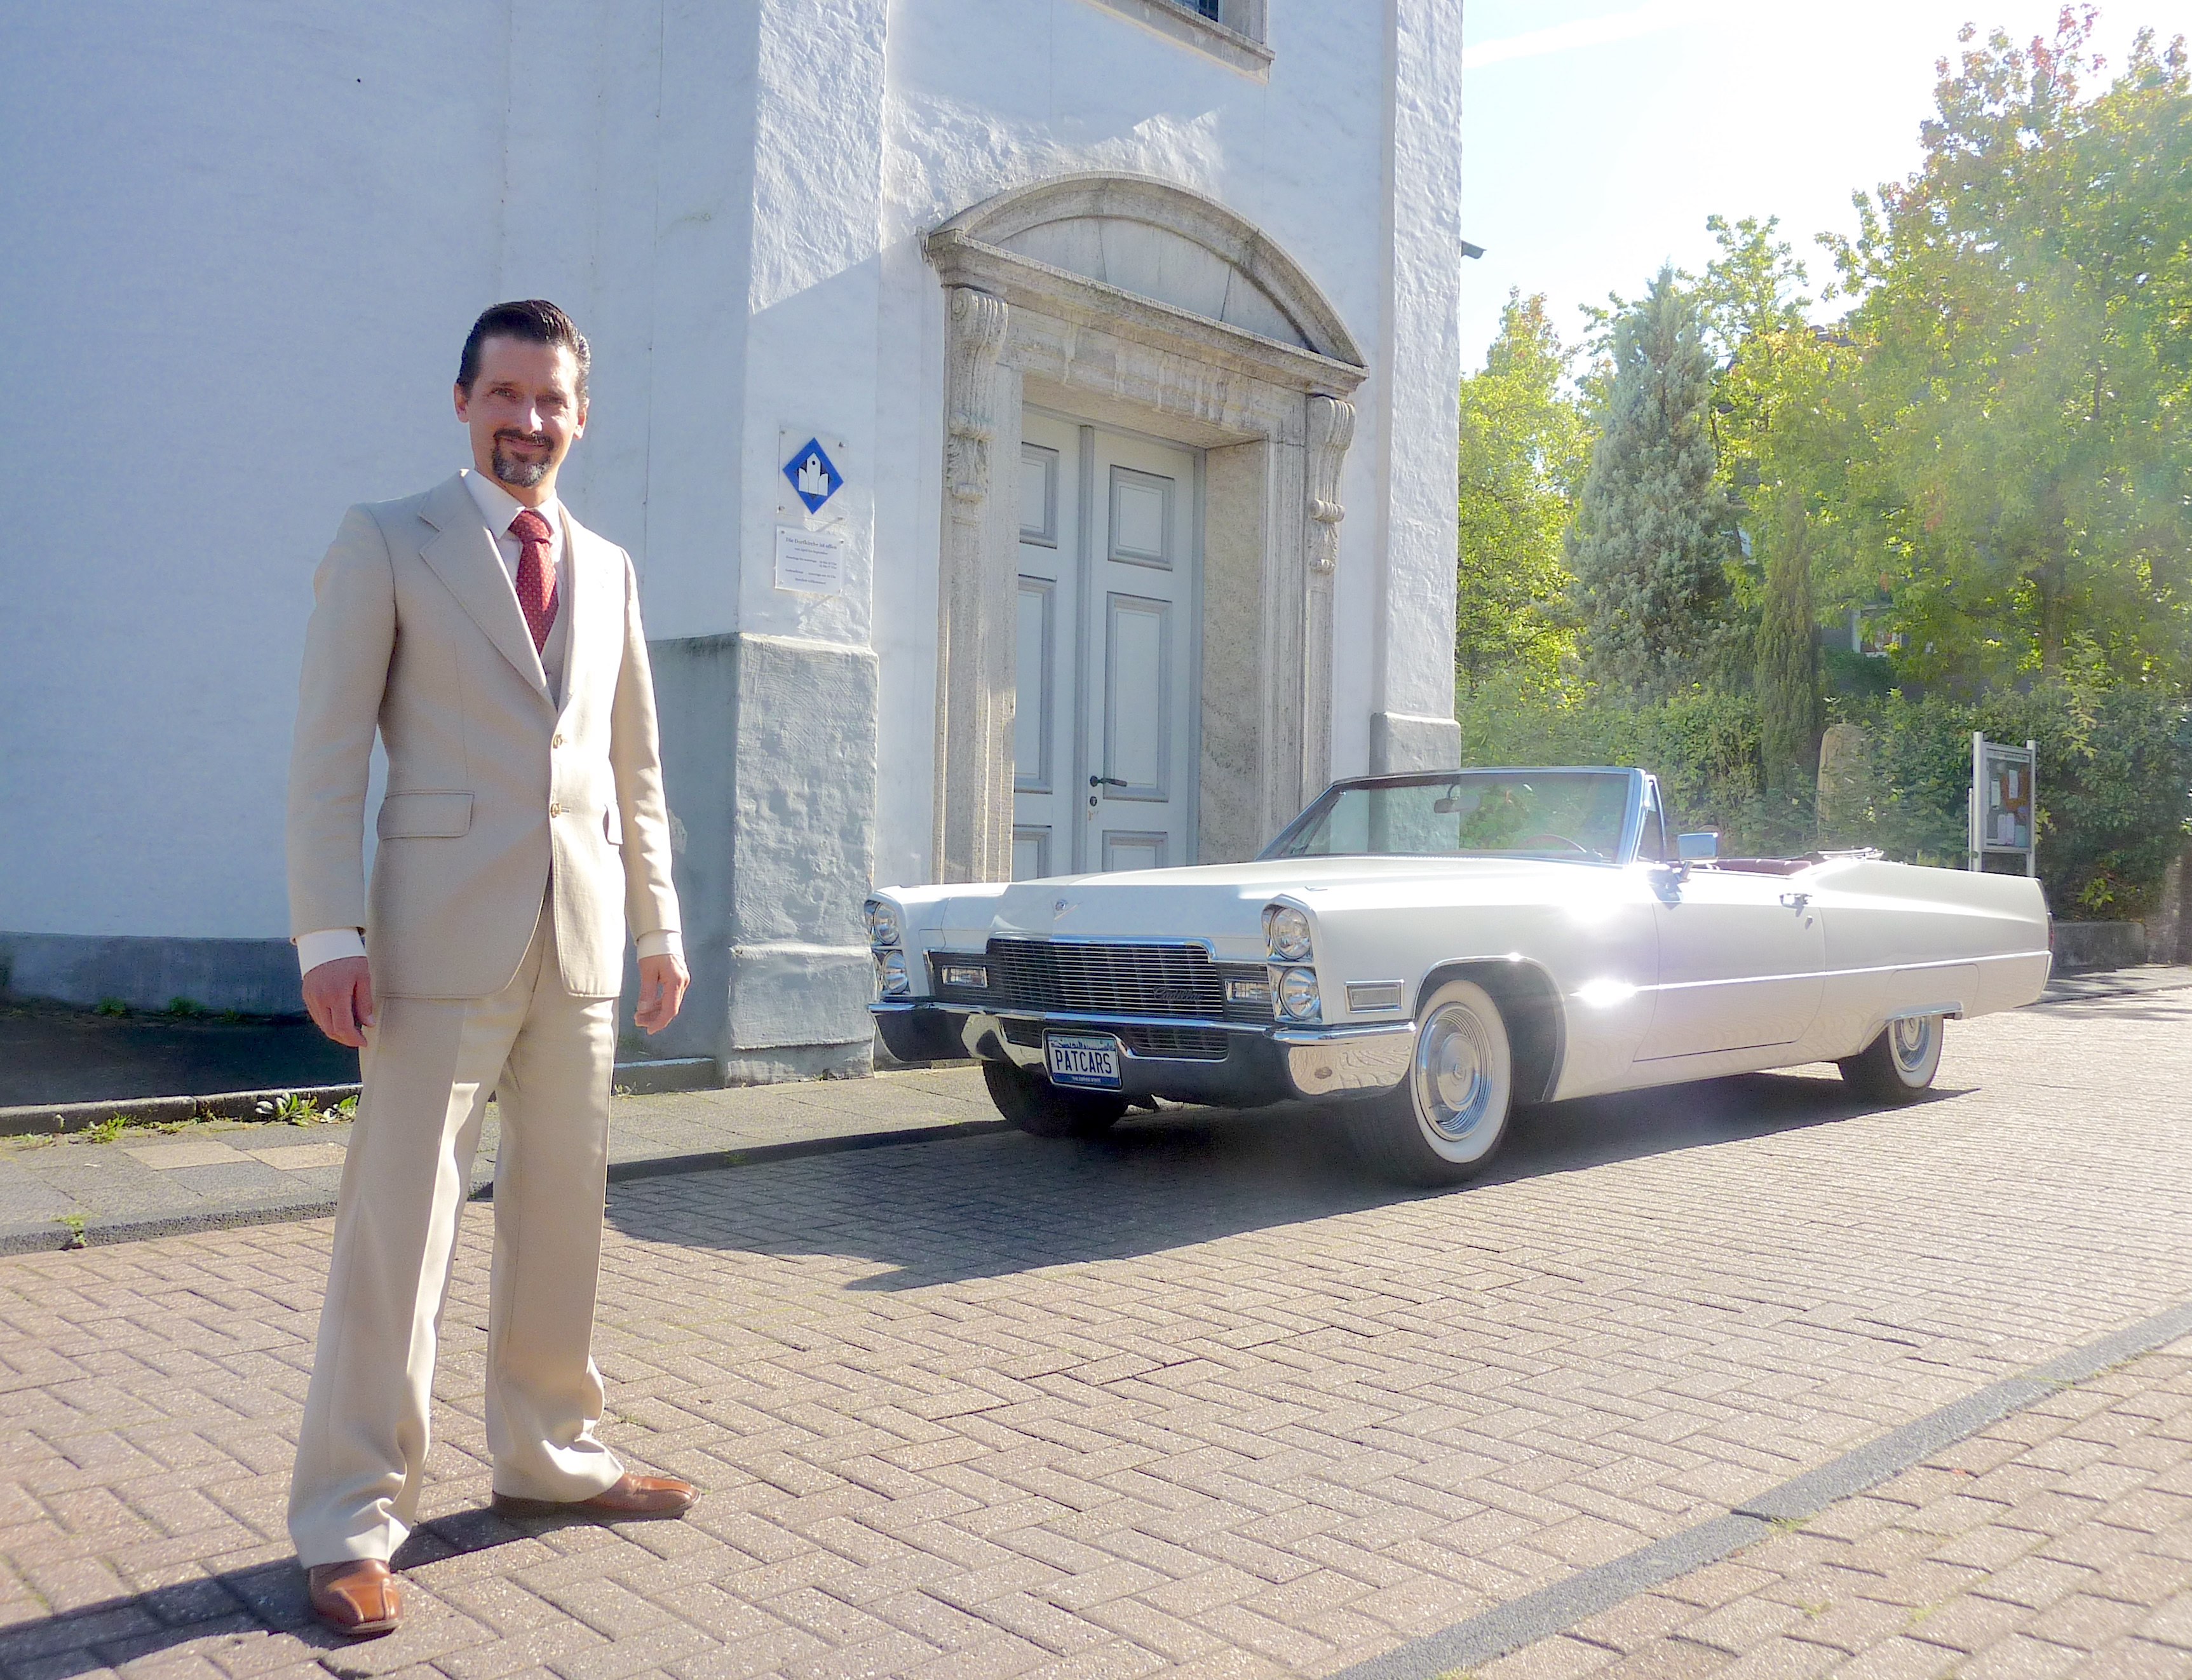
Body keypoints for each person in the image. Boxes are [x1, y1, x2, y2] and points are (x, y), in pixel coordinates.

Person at [285, 300, 695, 1637]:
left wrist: (658, 926)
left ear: (582, 415)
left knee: (563, 1215)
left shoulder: (610, 567)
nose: (530, 421)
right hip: (428, 947)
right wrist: (328, 933)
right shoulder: (387, 539)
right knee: (398, 1236)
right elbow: (328, 752)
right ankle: (351, 1518)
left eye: (551, 399)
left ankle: (550, 1453)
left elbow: (635, 766)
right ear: (461, 401)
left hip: (578, 941)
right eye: (506, 394)